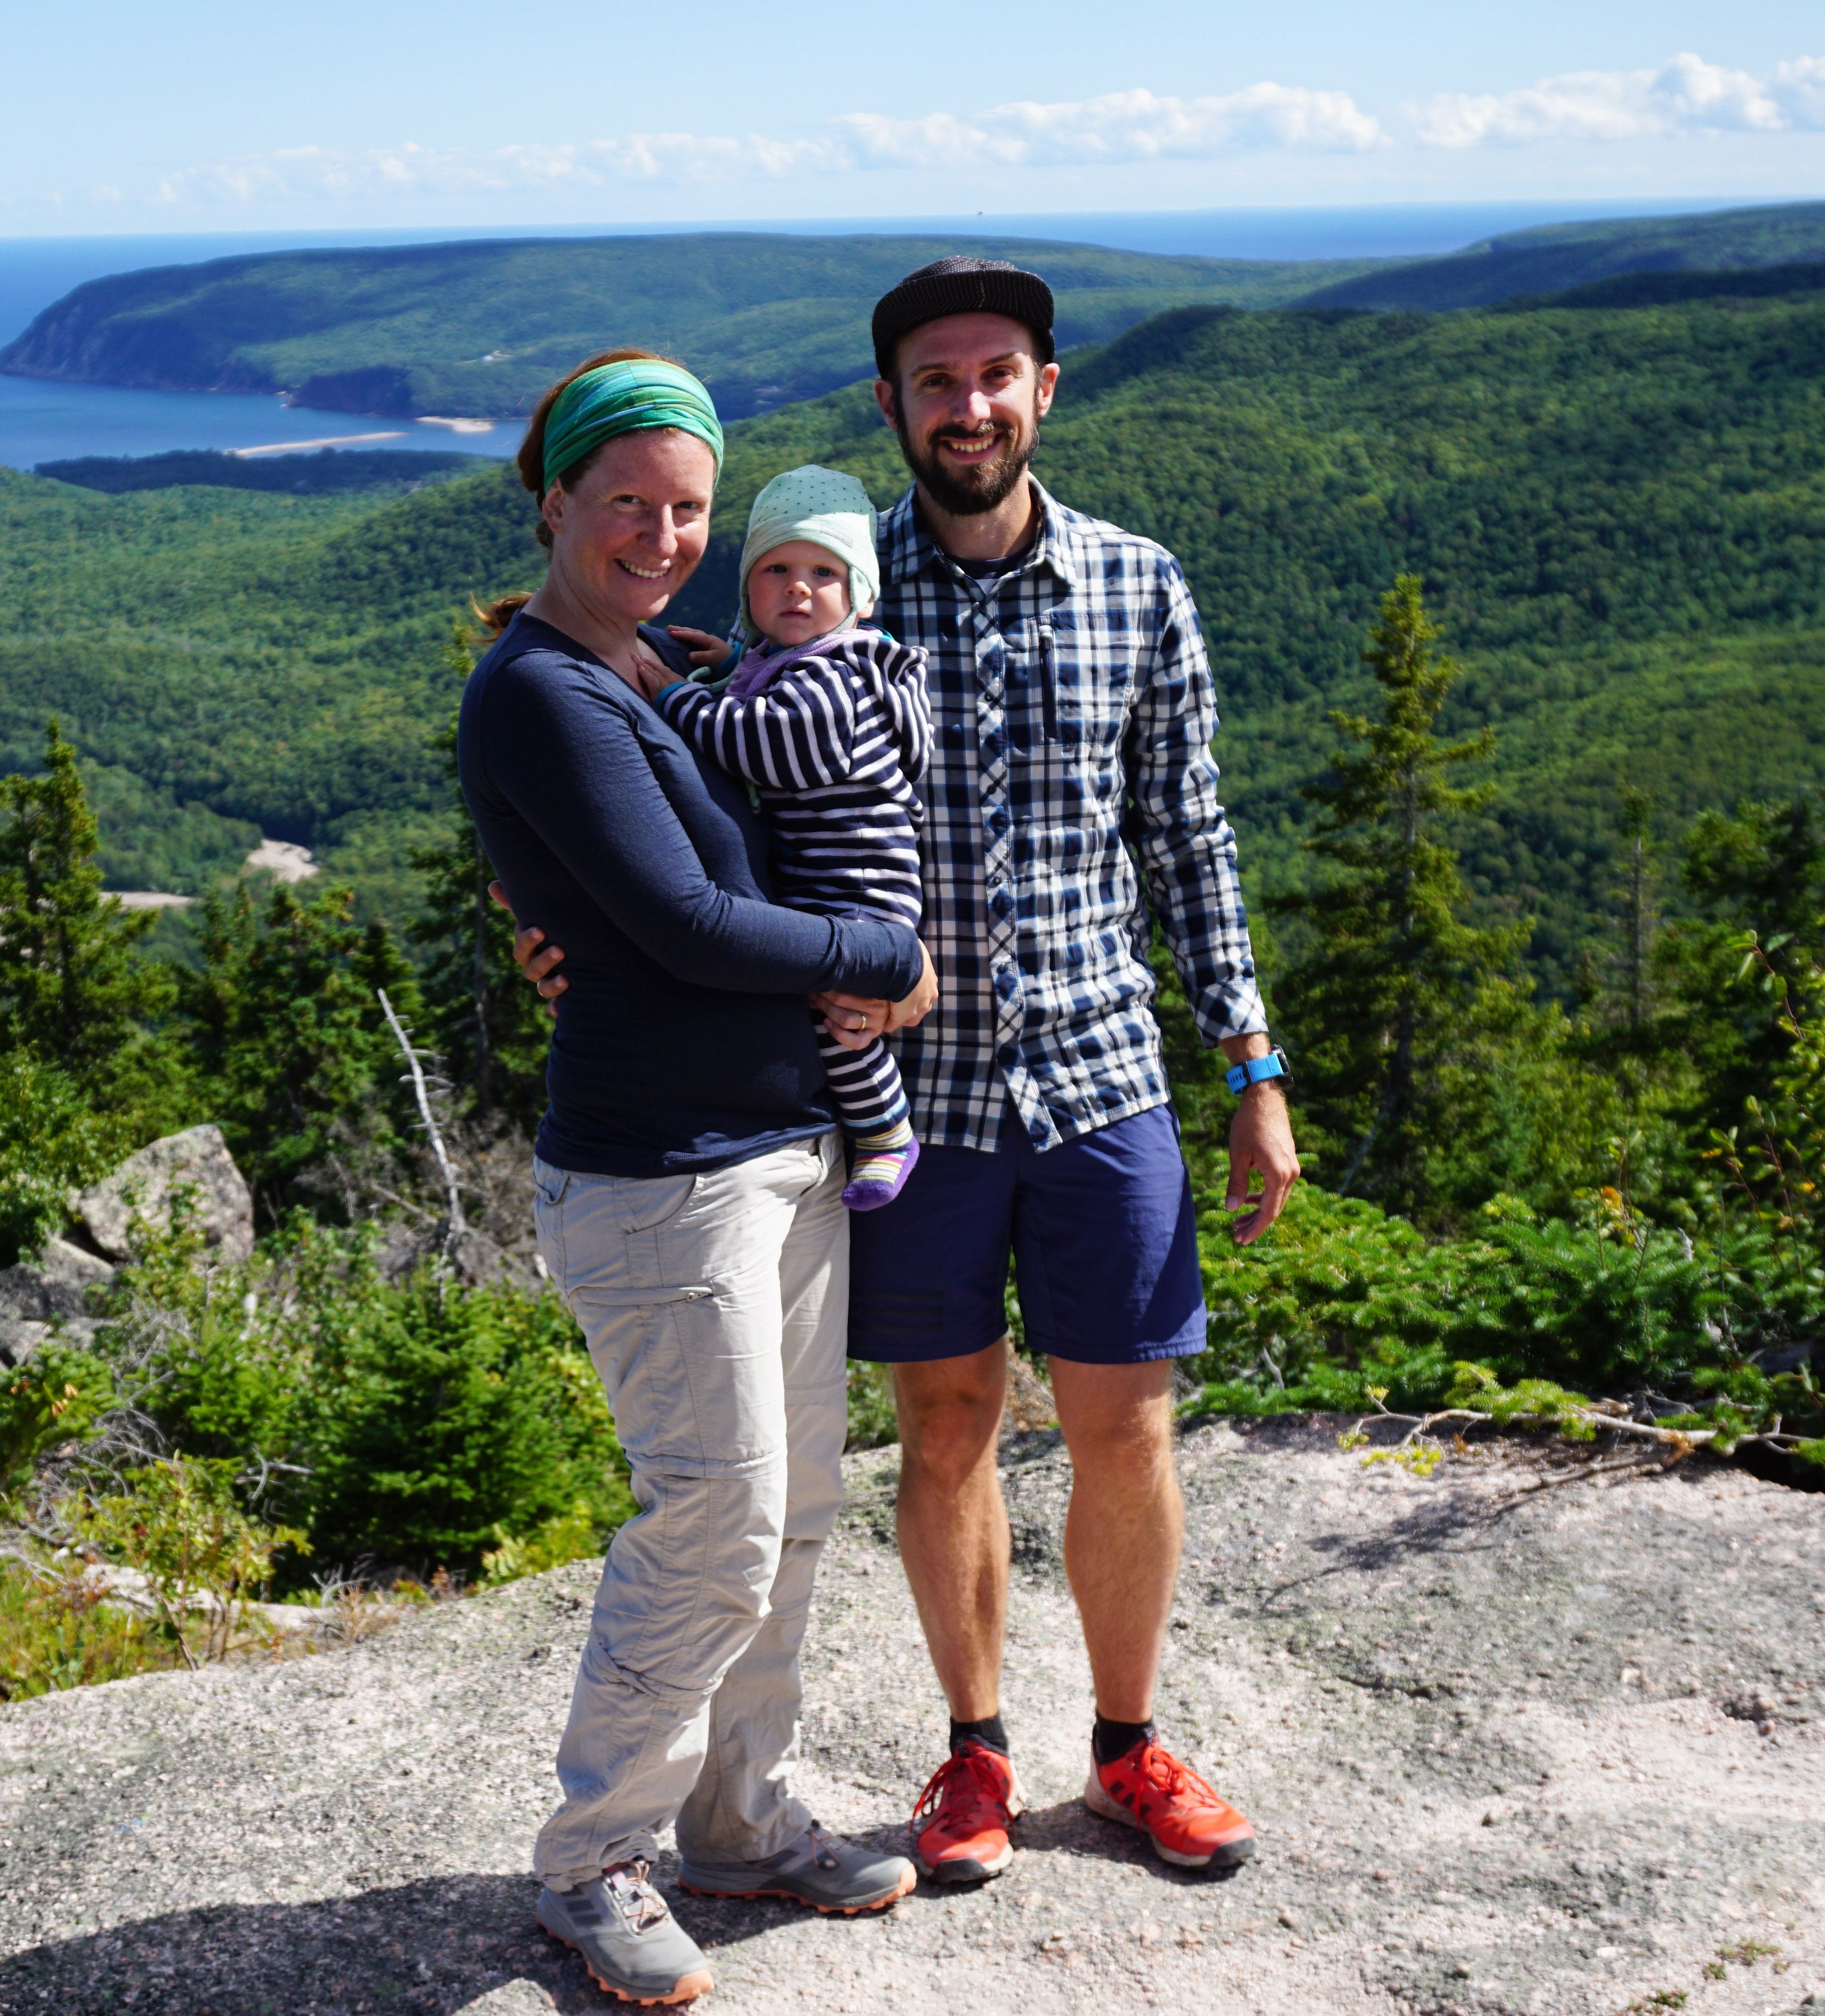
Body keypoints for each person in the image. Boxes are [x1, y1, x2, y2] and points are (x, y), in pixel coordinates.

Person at [507, 264, 1302, 1888]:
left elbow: (1191, 835)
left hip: (1100, 1070)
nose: (971, 405)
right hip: (900, 1094)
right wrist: (541, 916)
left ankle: (1132, 1744)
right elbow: (645, 768)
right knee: (945, 1425)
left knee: (1126, 1421)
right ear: (891, 406)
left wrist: (1252, 1061)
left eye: (998, 374)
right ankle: (976, 1754)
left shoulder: (1142, 588)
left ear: (1047, 390)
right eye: (936, 381)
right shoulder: (830, 598)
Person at [457, 349, 928, 2007]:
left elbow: (668, 889)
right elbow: (683, 926)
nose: (659, 534)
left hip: (785, 1154)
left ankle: (734, 1813)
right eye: (627, 505)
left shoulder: (662, 667)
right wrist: (896, 956)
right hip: (664, 1182)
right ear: (555, 504)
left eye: (686, 510)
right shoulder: (542, 688)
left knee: (790, 1513)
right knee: (718, 1518)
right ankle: (596, 1859)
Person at [654, 464, 934, 1212]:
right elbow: (769, 678)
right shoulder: (803, 664)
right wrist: (730, 664)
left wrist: (678, 700)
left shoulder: (834, 677)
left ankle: (884, 1133)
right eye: (775, 569)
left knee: (837, 1012)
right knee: (827, 1006)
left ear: (861, 598)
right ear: (750, 590)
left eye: (823, 572)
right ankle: (869, 1125)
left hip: (856, 888)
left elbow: (768, 748)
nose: (798, 588)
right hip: (843, 878)